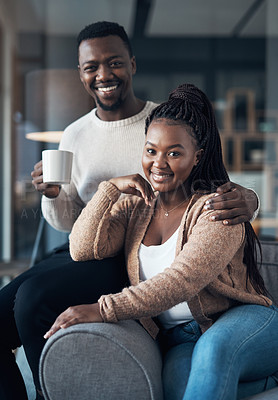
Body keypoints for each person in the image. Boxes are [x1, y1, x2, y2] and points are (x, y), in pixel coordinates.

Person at [0, 22, 259, 400]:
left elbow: (214, 182)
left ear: (132, 65)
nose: (104, 75)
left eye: (114, 63)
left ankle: (50, 391)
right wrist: (53, 194)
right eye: (91, 67)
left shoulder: (166, 121)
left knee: (33, 300)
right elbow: (72, 230)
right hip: (89, 239)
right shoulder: (74, 134)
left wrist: (251, 200)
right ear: (81, 73)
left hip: (125, 253)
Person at [46, 83, 278, 400]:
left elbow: (181, 281)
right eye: (151, 150)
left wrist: (103, 309)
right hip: (180, 338)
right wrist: (108, 189)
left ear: (196, 157)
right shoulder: (136, 207)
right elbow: (82, 248)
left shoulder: (215, 210)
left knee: (213, 353)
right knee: (180, 386)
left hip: (243, 321)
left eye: (174, 153)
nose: (159, 162)